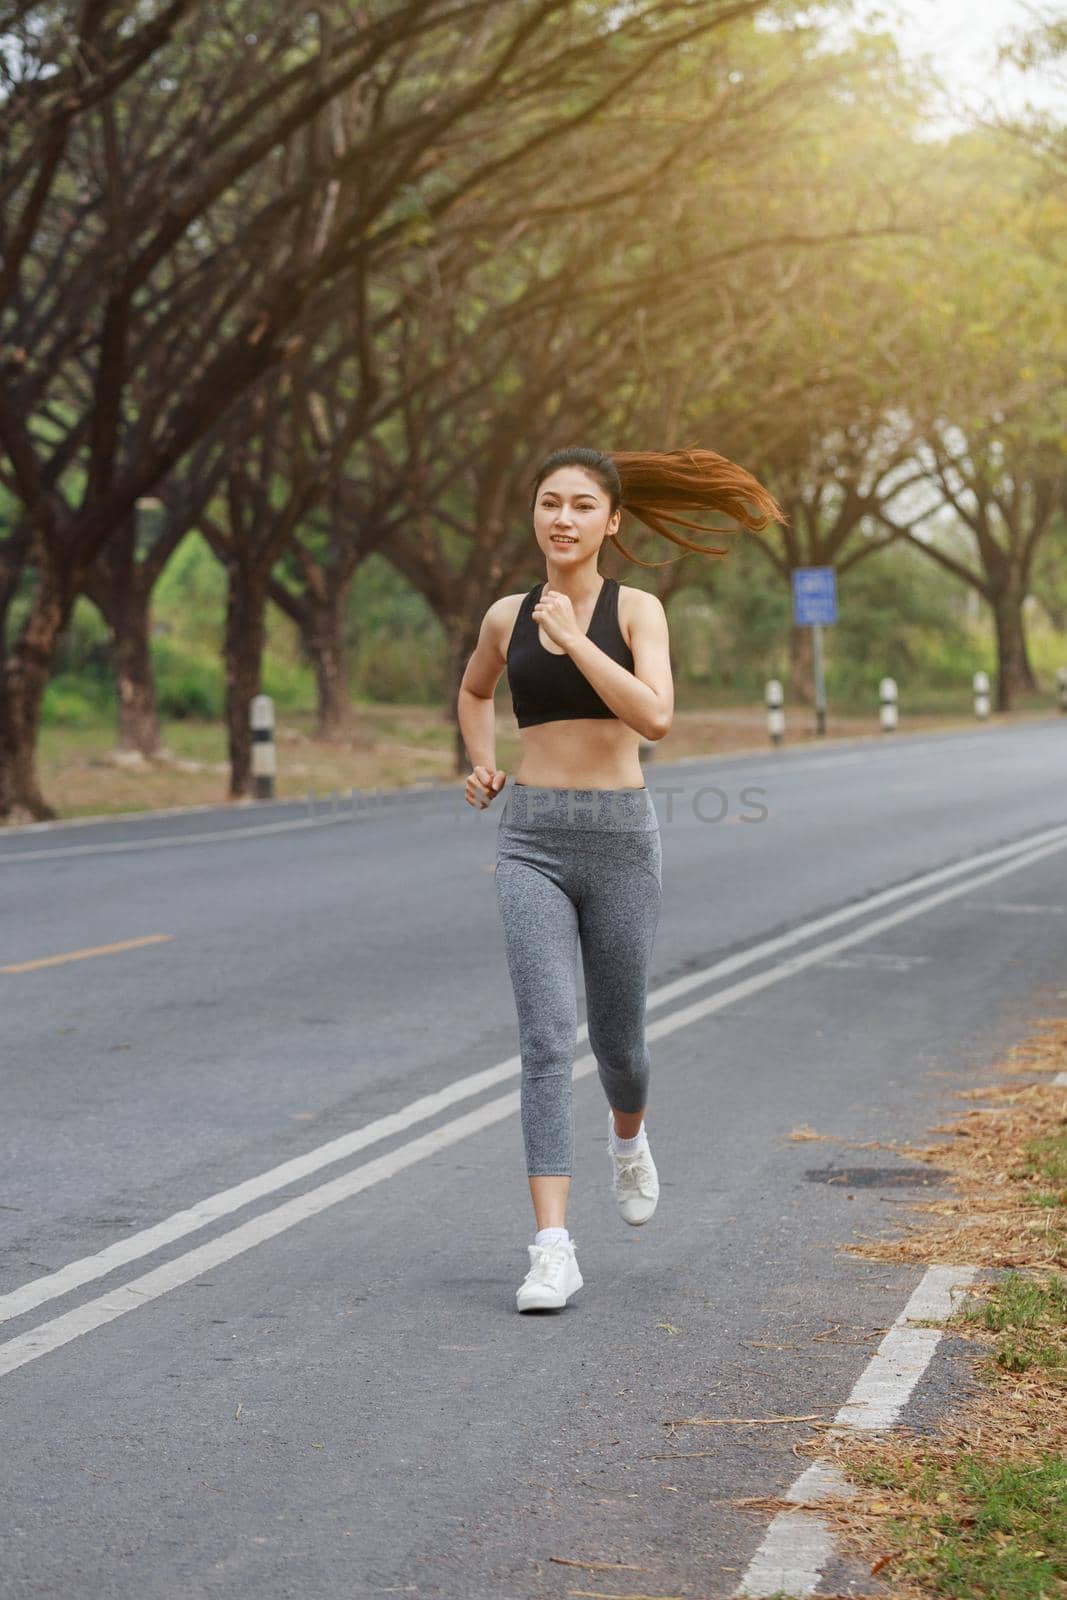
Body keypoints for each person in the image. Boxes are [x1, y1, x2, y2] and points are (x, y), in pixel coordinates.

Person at [457, 445, 783, 1313]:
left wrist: (572, 641)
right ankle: (551, 1249)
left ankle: (628, 1140)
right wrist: (483, 764)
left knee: (620, 1047)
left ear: (610, 522)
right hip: (530, 839)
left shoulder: (639, 611)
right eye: (547, 502)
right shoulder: (502, 616)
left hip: (619, 843)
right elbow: (474, 692)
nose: (560, 518)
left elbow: (657, 717)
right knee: (543, 1038)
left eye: (579, 506)